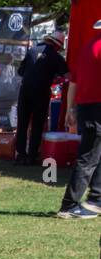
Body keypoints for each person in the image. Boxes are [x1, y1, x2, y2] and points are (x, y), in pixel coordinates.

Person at [59, 21, 101, 219]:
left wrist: (70, 108)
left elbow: (73, 82)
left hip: (86, 107)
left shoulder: (87, 47)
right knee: (89, 156)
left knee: (95, 153)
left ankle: (96, 199)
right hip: (97, 107)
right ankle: (69, 205)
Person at [16, 31, 67, 164]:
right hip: (41, 92)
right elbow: (68, 76)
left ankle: (20, 155)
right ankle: (32, 156)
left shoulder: (31, 51)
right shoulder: (56, 57)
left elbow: (20, 72)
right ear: (57, 45)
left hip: (25, 91)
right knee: (37, 124)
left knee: (22, 123)